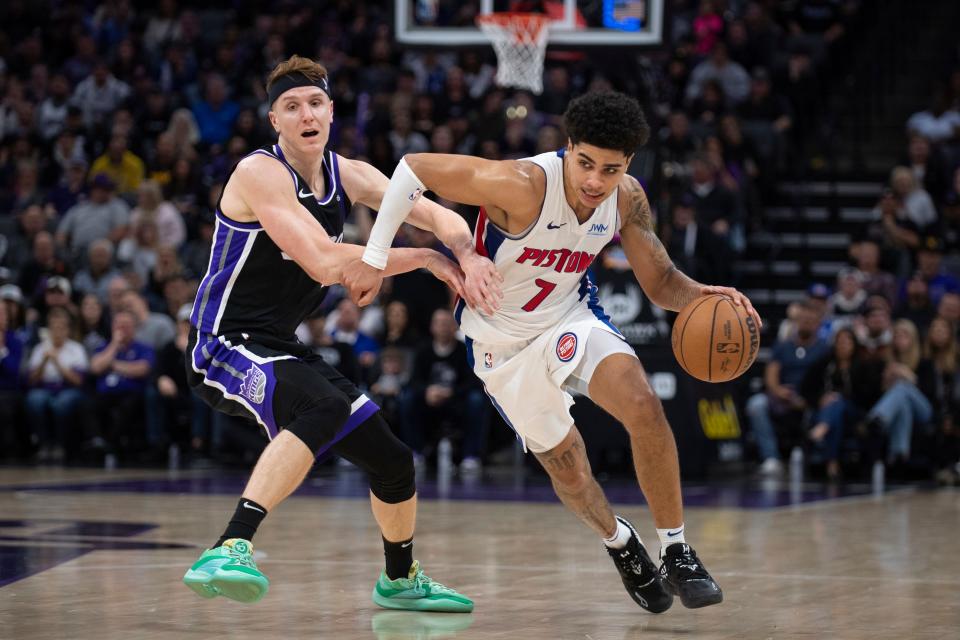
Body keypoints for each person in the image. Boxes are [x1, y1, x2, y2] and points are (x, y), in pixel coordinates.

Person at [345, 90, 763, 613]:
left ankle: (676, 549)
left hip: (570, 318)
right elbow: (411, 169)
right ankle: (619, 541)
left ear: (628, 165)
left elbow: (660, 284)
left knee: (643, 403)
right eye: (585, 163)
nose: (594, 181)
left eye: (609, 169)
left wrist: (704, 295)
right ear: (567, 148)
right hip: (500, 345)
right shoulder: (520, 185)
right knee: (569, 470)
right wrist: (375, 256)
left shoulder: (627, 198)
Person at [181, 55, 500, 611]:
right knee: (322, 408)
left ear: (331, 111)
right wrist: (426, 258)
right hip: (222, 343)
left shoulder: (346, 172)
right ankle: (229, 545)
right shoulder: (259, 173)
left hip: (277, 343)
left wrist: (466, 255)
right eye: (291, 106)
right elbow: (326, 263)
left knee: (394, 459)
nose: (306, 114)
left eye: (315, 103)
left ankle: (399, 580)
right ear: (274, 120)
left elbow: (436, 214)